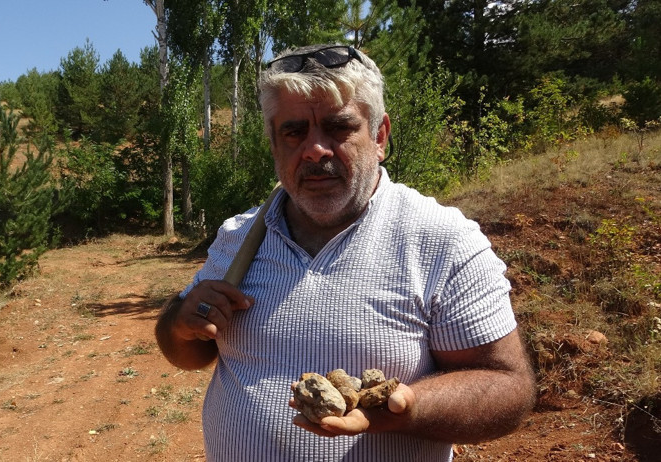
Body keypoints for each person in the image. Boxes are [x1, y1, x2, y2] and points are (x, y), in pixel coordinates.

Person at [155, 43, 535, 461]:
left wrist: (401, 408)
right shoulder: (237, 237)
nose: (315, 149)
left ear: (380, 136)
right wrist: (178, 324)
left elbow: (508, 387)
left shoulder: (443, 240)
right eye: (294, 131)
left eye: (338, 127)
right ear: (274, 145)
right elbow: (189, 352)